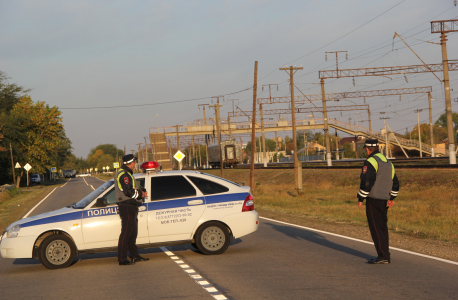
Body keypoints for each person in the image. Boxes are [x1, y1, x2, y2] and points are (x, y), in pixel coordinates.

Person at [357, 139, 399, 264]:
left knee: (375, 227)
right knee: (382, 227)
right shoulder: (388, 162)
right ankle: (385, 254)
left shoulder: (370, 161)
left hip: (374, 199)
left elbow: (367, 182)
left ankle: (383, 256)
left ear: (367, 149)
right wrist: (391, 197)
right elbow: (395, 182)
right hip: (385, 199)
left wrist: (361, 198)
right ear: (377, 148)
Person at [115, 154, 149, 265]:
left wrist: (140, 191)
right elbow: (128, 191)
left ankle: (135, 256)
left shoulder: (127, 174)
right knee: (126, 234)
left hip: (131, 207)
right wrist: (140, 195)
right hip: (127, 207)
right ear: (131, 162)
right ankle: (122, 259)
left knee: (132, 233)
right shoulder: (124, 175)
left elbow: (131, 189)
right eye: (134, 161)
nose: (135, 163)